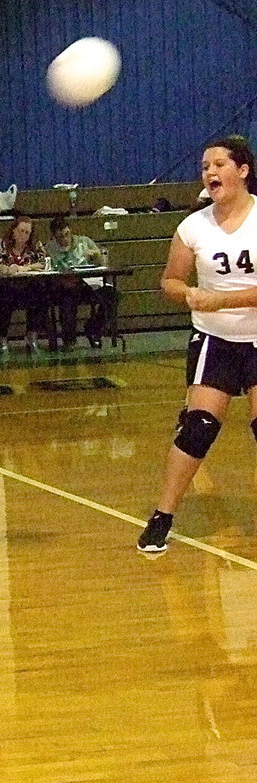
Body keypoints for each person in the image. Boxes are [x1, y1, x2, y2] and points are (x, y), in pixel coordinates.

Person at [137, 135, 257, 555]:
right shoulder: (192, 226)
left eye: (220, 164)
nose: (210, 172)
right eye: (205, 165)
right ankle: (161, 516)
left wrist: (221, 299)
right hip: (214, 339)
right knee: (198, 428)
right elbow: (170, 280)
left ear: (243, 171)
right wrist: (186, 293)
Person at [45, 216, 118, 349]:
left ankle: (93, 329)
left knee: (112, 295)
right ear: (54, 237)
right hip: (66, 286)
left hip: (88, 284)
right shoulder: (50, 248)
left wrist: (96, 255)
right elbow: (48, 272)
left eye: (67, 234)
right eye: (61, 236)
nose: (65, 239)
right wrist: (61, 280)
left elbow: (101, 263)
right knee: (66, 299)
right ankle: (69, 339)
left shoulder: (84, 242)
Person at [0, 216, 49, 353]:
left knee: (42, 295)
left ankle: (32, 335)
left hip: (29, 285)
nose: (23, 235)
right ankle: (3, 337)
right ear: (13, 231)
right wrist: (8, 269)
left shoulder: (35, 245)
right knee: (1, 299)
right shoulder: (3, 244)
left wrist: (26, 268)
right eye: (21, 231)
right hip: (8, 287)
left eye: (27, 232)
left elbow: (43, 262)